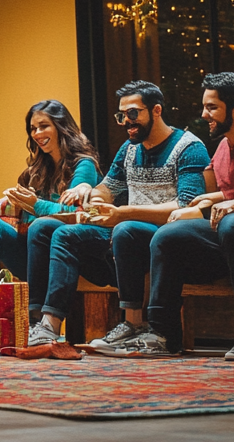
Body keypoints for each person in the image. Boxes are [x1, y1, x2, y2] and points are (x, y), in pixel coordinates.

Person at [25, 81, 209, 347]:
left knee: (126, 229)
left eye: (133, 114)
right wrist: (90, 191)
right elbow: (108, 188)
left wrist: (122, 213)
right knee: (55, 231)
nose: (126, 122)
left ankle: (134, 323)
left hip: (166, 233)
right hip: (126, 231)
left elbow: (188, 206)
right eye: (121, 115)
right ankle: (46, 326)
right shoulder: (129, 148)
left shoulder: (188, 147)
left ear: (156, 110)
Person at [131, 71, 234, 361]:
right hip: (230, 238)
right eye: (205, 106)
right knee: (168, 235)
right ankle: (163, 332)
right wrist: (212, 198)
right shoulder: (224, 146)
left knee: (233, 223)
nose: (204, 114)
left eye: (212, 107)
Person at [0, 100, 101, 282]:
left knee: (39, 227)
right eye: (33, 128)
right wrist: (15, 207)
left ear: (61, 127)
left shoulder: (84, 165)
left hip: (69, 252)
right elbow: (30, 218)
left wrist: (35, 204)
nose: (37, 134)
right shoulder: (37, 169)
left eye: (43, 126)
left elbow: (78, 215)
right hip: (35, 251)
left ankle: (35, 306)